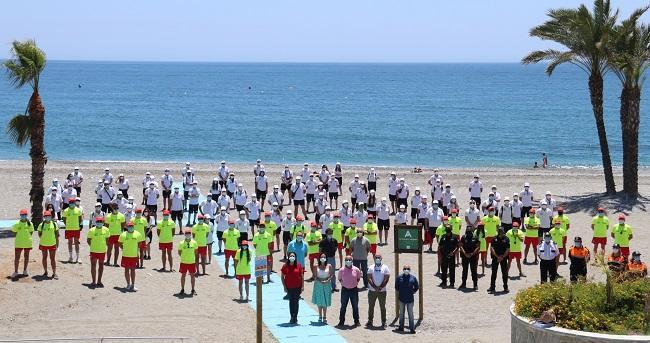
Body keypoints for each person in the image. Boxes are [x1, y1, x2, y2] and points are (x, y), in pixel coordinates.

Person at [118, 222, 144, 291]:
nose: (130, 227)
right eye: (129, 226)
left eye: (132, 226)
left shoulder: (138, 234)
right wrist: (123, 248)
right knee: (126, 270)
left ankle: (133, 285)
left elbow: (140, 243)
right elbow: (120, 243)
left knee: (133, 270)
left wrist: (135, 249)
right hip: (125, 255)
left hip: (134, 255)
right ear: (126, 227)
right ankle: (128, 284)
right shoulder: (123, 235)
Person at [337, 255, 361, 327]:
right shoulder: (341, 270)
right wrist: (344, 284)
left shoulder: (356, 269)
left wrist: (353, 283)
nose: (348, 261)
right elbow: (340, 279)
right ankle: (341, 321)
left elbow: (358, 278)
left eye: (349, 260)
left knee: (355, 306)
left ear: (352, 261)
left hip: (354, 289)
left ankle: (356, 321)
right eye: (347, 260)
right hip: (345, 290)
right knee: (343, 306)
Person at [366, 254, 390, 328]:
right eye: (376, 258)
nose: (377, 259)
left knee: (382, 307)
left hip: (382, 291)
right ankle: (370, 320)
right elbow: (369, 277)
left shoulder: (385, 267)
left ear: (381, 258)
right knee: (371, 306)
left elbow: (387, 278)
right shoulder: (371, 267)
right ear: (374, 258)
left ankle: (384, 321)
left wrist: (380, 287)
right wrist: (374, 287)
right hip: (372, 290)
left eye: (378, 257)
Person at [281, 251, 305, 324]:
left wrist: (302, 286)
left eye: (293, 256)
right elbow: (282, 277)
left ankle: (295, 317)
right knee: (291, 302)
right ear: (288, 257)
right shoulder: (285, 266)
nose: (292, 257)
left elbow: (302, 276)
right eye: (291, 256)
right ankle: (292, 317)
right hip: (289, 287)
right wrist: (284, 287)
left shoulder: (299, 265)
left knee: (296, 302)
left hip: (298, 287)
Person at [394, 265, 418, 334]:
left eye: (408, 269)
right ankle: (401, 327)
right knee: (401, 314)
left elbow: (416, 287)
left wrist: (412, 292)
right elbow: (396, 287)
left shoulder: (413, 278)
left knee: (410, 314)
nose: (406, 270)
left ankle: (412, 328)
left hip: (410, 300)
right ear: (403, 269)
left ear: (410, 270)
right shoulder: (399, 278)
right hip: (401, 299)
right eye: (405, 268)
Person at [87, 217, 109, 287]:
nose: (99, 223)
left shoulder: (106, 230)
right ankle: (93, 281)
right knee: (93, 266)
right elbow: (88, 240)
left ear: (103, 222)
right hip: (93, 251)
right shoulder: (91, 230)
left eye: (101, 221)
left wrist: (102, 245)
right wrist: (93, 246)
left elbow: (107, 240)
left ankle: (99, 281)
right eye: (98, 221)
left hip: (102, 251)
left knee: (101, 266)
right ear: (96, 222)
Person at [11, 209, 33, 280]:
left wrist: (27, 238)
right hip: (19, 243)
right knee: (17, 257)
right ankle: (16, 271)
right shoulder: (17, 224)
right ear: (20, 215)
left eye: (25, 215)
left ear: (27, 215)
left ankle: (25, 270)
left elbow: (31, 232)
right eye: (22, 215)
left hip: (27, 243)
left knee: (26, 257)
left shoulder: (30, 224)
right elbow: (14, 232)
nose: (23, 216)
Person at [487, 227, 510, 293]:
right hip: (495, 258)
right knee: (494, 273)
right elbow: (492, 248)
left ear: (503, 232)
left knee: (504, 273)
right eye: (499, 231)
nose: (501, 232)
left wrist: (502, 257)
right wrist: (497, 257)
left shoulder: (506, 239)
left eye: (502, 231)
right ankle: (492, 287)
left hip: (504, 258)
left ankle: (505, 287)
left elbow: (508, 249)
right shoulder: (494, 239)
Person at [312, 252, 333, 323]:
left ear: (326, 258)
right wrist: (320, 281)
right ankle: (320, 316)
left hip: (327, 284)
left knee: (325, 301)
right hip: (318, 285)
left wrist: (327, 280)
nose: (323, 258)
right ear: (319, 258)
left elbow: (331, 275)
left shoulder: (329, 266)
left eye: (324, 257)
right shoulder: (315, 266)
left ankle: (325, 316)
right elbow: (314, 276)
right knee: (319, 301)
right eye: (321, 257)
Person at [37, 211, 58, 278]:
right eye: (46, 216)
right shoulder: (41, 225)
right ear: (44, 217)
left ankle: (54, 273)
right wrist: (44, 239)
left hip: (52, 244)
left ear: (51, 217)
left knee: (53, 259)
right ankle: (45, 271)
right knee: (44, 258)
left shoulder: (54, 224)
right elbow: (39, 234)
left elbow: (57, 235)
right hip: (43, 244)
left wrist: (57, 244)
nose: (47, 217)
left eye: (48, 216)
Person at [177, 229, 198, 296]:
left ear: (191, 234)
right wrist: (184, 257)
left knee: (192, 276)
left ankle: (193, 289)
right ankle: (182, 289)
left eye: (189, 233)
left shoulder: (194, 242)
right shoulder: (181, 243)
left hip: (192, 262)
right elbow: (179, 252)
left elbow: (196, 252)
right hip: (184, 262)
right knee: (183, 275)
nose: (188, 235)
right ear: (185, 234)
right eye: (187, 233)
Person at [62, 197, 82, 263]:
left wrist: (79, 225)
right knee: (70, 242)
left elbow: (80, 219)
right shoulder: (65, 211)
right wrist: (68, 225)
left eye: (73, 202)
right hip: (69, 229)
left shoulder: (78, 210)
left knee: (76, 242)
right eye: (70, 202)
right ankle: (70, 257)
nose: (71, 204)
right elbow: (64, 220)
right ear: (69, 203)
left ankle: (78, 257)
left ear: (74, 203)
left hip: (76, 229)